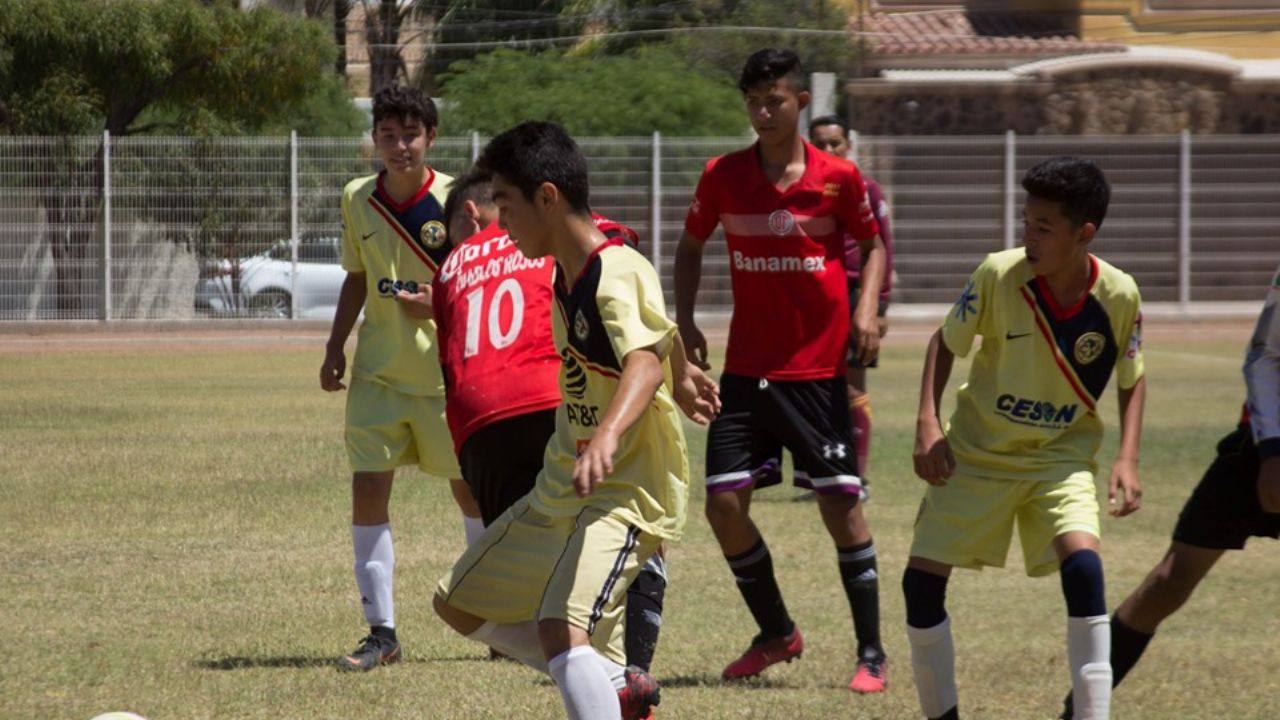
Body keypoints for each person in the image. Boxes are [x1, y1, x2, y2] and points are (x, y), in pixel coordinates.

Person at [432, 121, 701, 720]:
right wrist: (683, 371)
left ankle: (600, 685)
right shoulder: (563, 271)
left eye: (507, 206)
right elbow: (657, 332)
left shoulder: (615, 267)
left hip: (624, 492)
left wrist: (608, 433)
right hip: (559, 488)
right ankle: (613, 681)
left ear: (547, 198)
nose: (502, 224)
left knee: (561, 628)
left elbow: (641, 361)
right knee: (458, 604)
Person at [674, 48, 891, 693]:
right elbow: (690, 247)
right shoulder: (722, 176)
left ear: (799, 101)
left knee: (841, 508)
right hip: (748, 372)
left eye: (774, 100)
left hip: (818, 374)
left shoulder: (838, 178)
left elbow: (873, 246)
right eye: (753, 101)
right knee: (723, 505)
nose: (762, 112)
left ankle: (871, 654)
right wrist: (686, 321)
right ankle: (776, 633)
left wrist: (867, 309)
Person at [907, 156, 1146, 720]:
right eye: (1026, 223)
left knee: (1085, 570)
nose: (1029, 237)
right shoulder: (998, 273)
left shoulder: (1120, 294)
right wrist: (927, 423)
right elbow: (945, 342)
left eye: (1044, 227)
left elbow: (1132, 376)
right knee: (920, 585)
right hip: (975, 455)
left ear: (1084, 234)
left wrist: (1128, 457)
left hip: (1059, 458)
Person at [1058, 262, 1280, 719]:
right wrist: (1273, 451)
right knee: (1168, 583)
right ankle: (1079, 710)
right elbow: (1265, 354)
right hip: (1262, 448)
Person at [319, 85, 480, 672]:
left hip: (445, 378)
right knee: (367, 488)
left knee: (471, 493)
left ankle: (498, 619)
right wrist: (335, 346)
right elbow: (357, 277)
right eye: (387, 135)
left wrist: (437, 303)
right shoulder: (357, 198)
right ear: (374, 141)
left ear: (430, 137)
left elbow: (480, 281)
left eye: (410, 134)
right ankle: (381, 632)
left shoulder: (459, 201)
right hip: (378, 375)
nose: (399, 145)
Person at [808, 114, 895, 498]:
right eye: (820, 144)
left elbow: (882, 246)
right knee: (811, 388)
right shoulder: (802, 189)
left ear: (849, 145)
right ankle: (824, 473)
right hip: (812, 295)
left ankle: (856, 478)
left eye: (835, 143)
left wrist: (879, 306)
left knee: (851, 386)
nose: (828, 149)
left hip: (855, 294)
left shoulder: (867, 189)